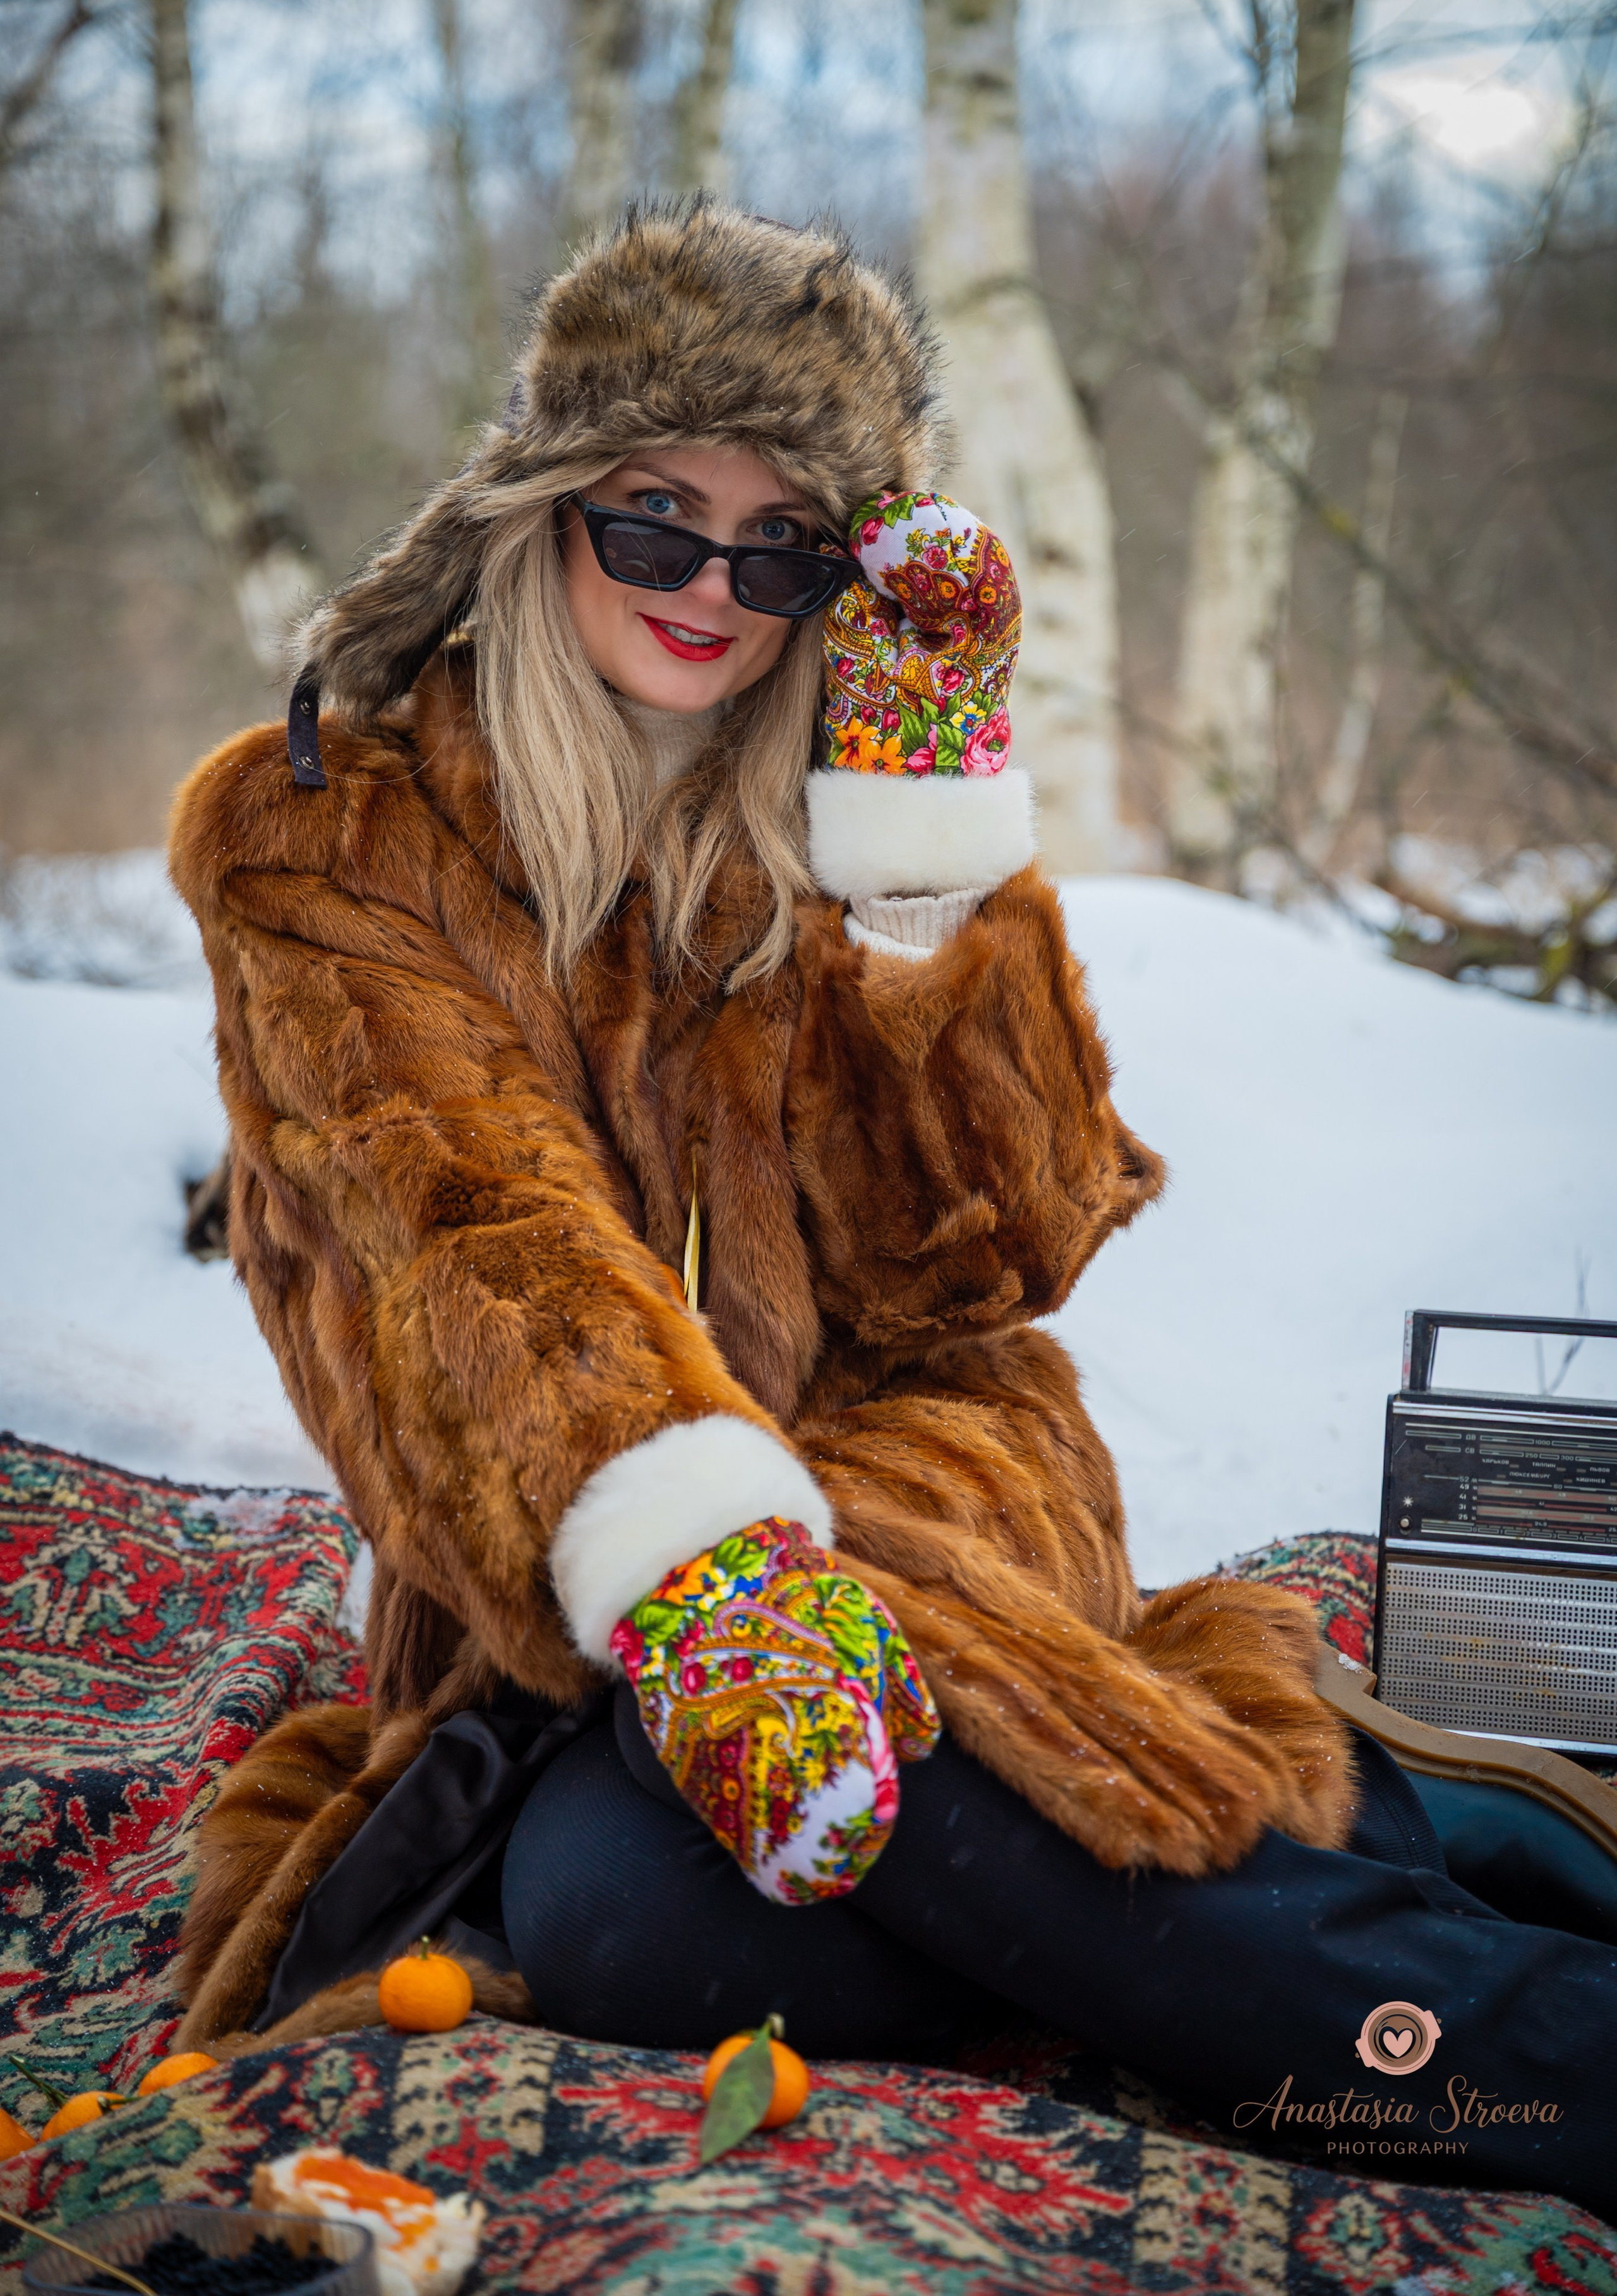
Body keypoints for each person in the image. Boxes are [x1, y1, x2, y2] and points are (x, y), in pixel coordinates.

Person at [169, 201, 1617, 2220]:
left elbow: (993, 1262)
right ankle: (1378, 1818)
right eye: (656, 516)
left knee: (787, 1814)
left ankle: (1528, 2052)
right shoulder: (327, 835)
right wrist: (699, 1578)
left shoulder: (841, 797)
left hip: (924, 1467)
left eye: (782, 543)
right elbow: (464, 1245)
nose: (712, 584)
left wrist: (925, 870)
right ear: (542, 502)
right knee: (621, 1923)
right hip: (553, 1550)